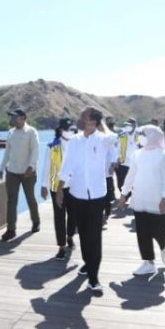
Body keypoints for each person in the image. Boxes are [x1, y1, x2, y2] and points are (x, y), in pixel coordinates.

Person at [55, 107, 115, 295]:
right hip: (77, 195)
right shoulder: (74, 141)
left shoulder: (104, 140)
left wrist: (100, 120)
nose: (80, 119)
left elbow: (113, 139)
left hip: (97, 196)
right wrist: (59, 189)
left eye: (85, 117)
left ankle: (93, 278)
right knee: (84, 236)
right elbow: (67, 165)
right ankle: (88, 264)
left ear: (93, 122)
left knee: (95, 237)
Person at [119, 125, 165, 275]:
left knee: (160, 231)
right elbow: (130, 175)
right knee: (142, 232)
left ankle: (163, 247)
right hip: (139, 199)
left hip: (157, 200)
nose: (139, 136)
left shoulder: (163, 154)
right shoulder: (137, 154)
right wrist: (124, 194)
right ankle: (148, 262)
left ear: (152, 136)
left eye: (142, 134)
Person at [0, 108, 40, 242]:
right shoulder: (10, 133)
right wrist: (1, 168)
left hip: (28, 173)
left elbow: (35, 151)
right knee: (11, 201)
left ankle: (36, 221)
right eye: (11, 117)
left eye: (14, 117)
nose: (11, 119)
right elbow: (7, 152)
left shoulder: (31, 132)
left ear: (22, 118)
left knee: (30, 198)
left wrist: (31, 167)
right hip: (12, 172)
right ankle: (11, 230)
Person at [40, 118, 76, 260]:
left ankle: (70, 236)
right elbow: (46, 167)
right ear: (61, 130)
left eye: (72, 129)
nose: (70, 132)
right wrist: (44, 186)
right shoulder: (52, 147)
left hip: (74, 187)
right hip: (56, 187)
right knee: (59, 216)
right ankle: (61, 246)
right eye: (68, 129)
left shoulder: (78, 145)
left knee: (73, 215)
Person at [116, 118, 140, 194]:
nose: (127, 126)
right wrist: (116, 160)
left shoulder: (139, 136)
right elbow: (116, 148)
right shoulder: (122, 135)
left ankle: (126, 196)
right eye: (126, 125)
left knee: (132, 182)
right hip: (123, 163)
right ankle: (125, 195)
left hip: (135, 163)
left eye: (129, 125)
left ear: (134, 125)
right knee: (121, 183)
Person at [102, 116, 119, 223]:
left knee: (108, 189)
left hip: (107, 168)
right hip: (97, 170)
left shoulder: (111, 137)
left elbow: (113, 152)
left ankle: (108, 209)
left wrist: (113, 165)